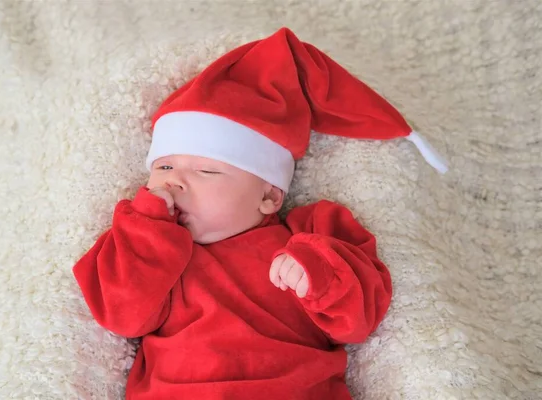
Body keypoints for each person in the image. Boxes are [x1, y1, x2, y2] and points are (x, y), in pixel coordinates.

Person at [73, 27, 447, 400]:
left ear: (269, 195)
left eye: (207, 170)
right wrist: (147, 228)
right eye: (165, 167)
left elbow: (359, 320)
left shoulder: (308, 233)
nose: (174, 183)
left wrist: (318, 273)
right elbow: (120, 316)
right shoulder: (149, 245)